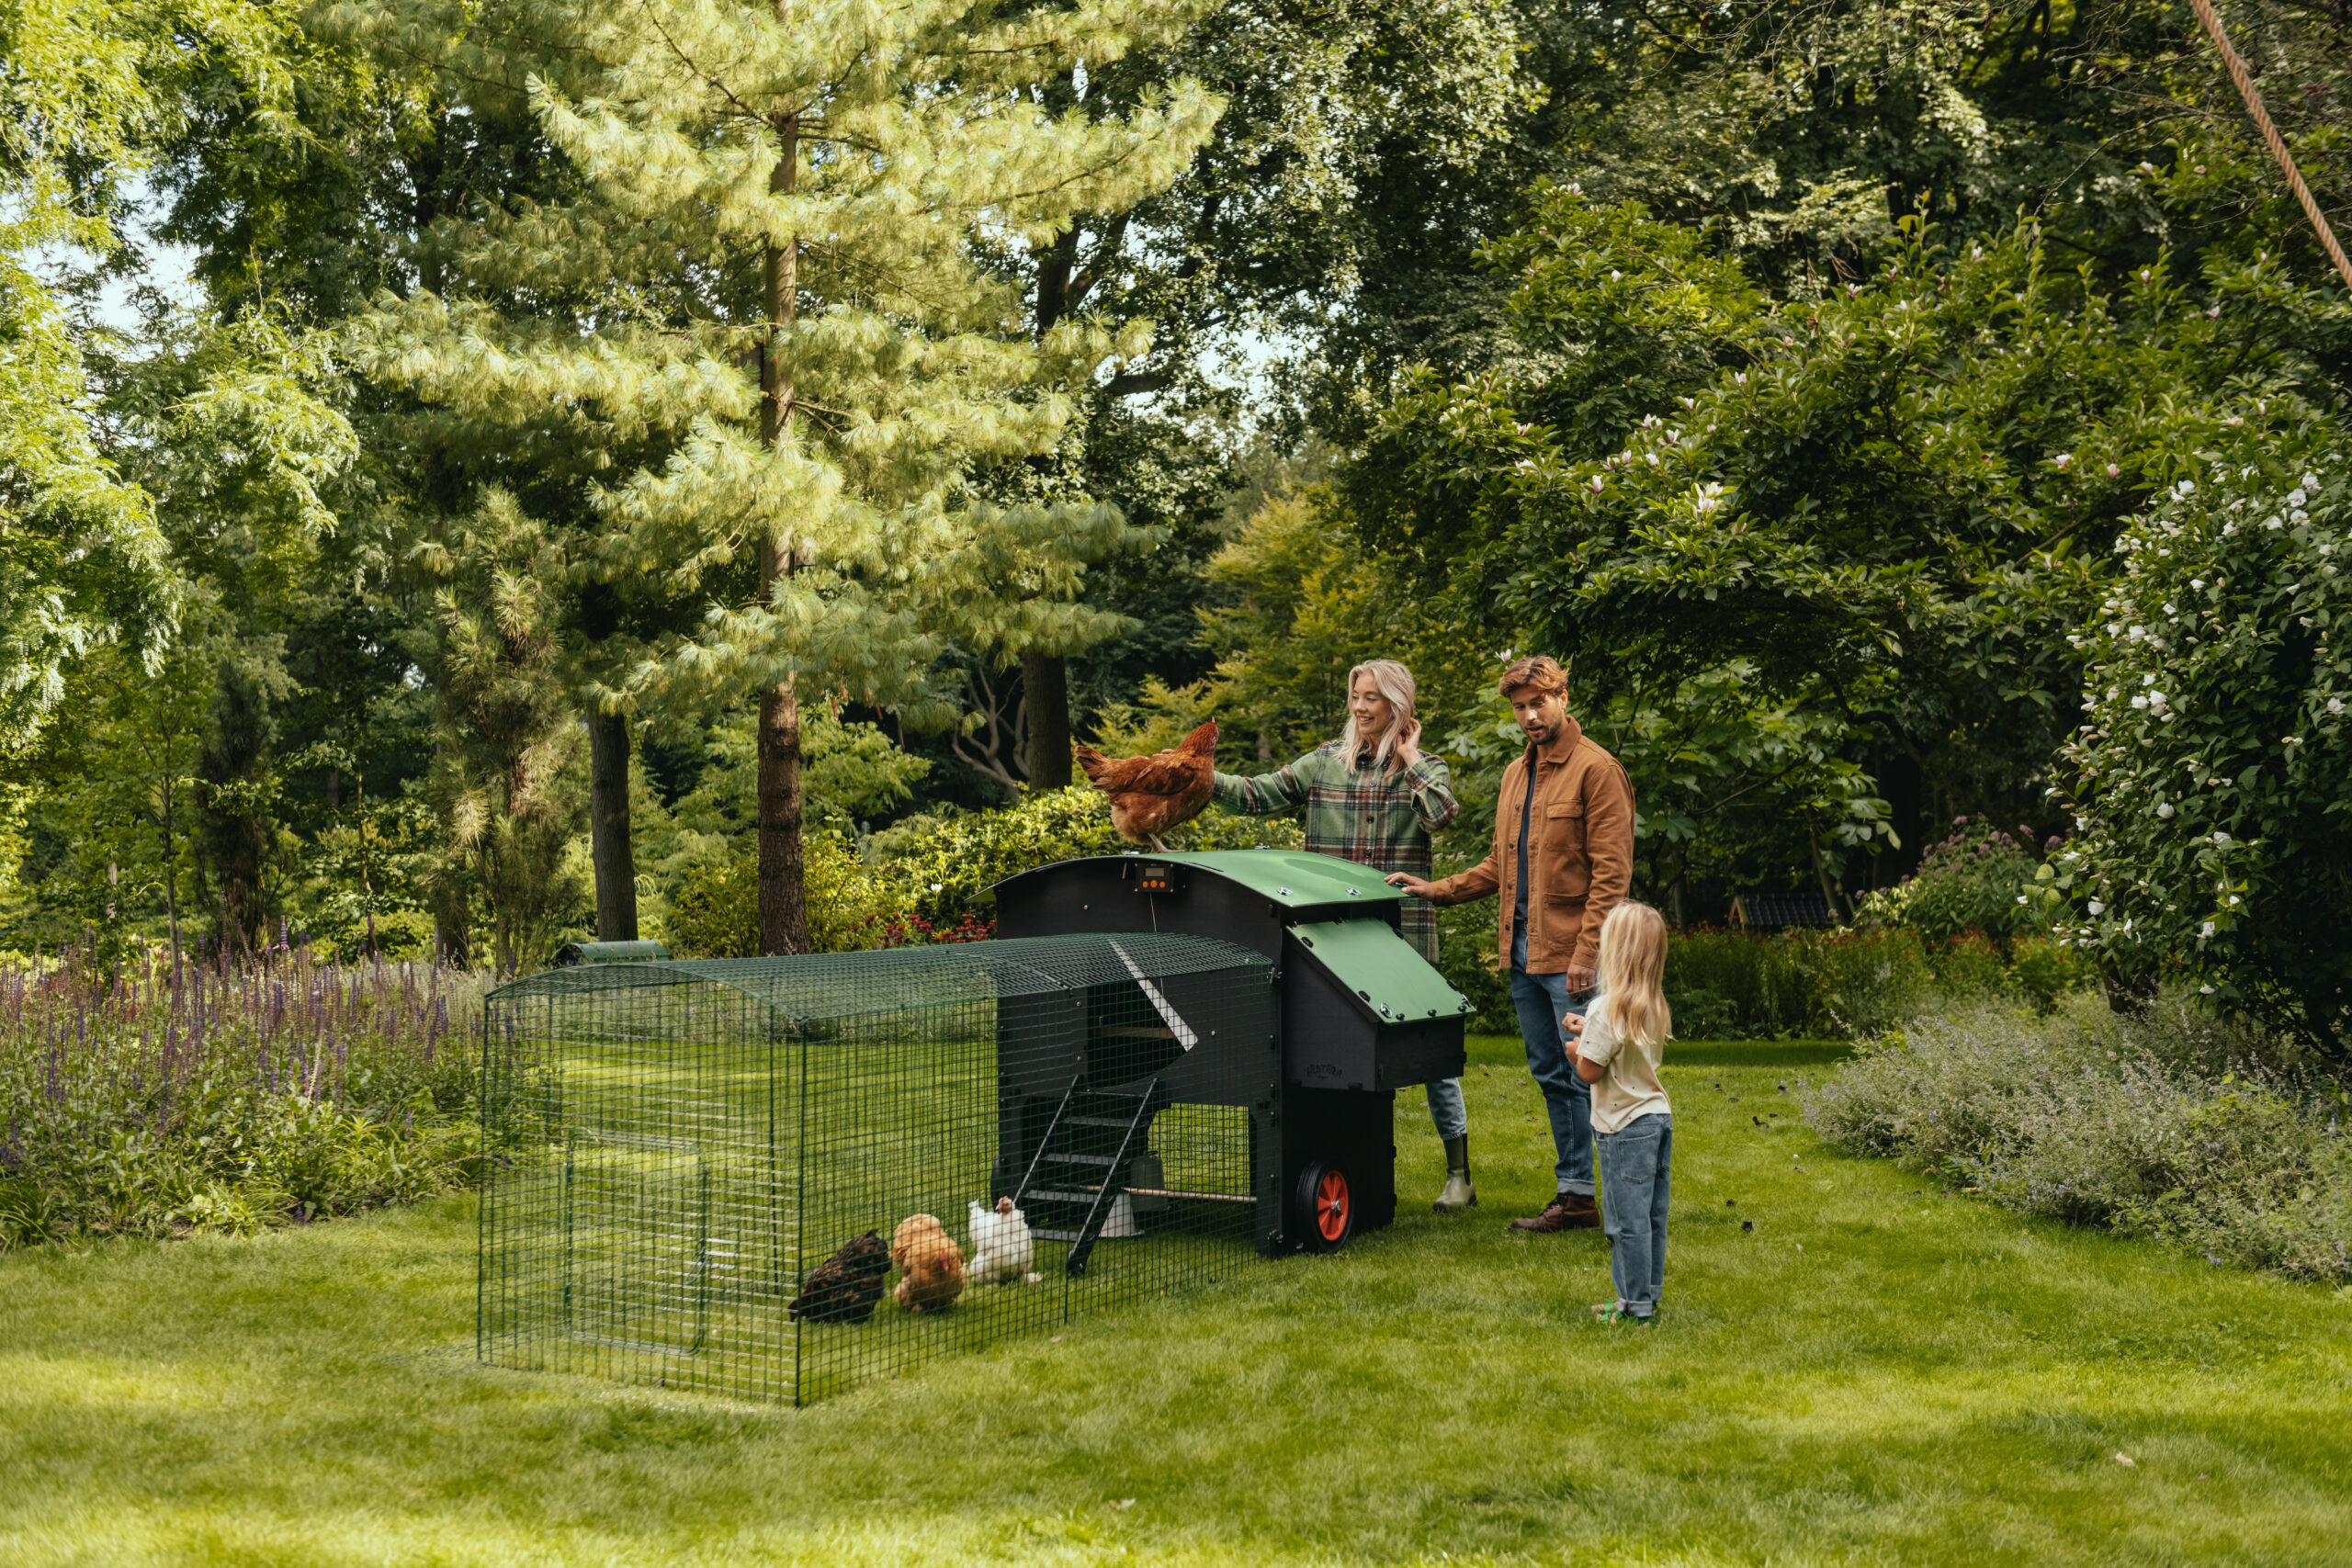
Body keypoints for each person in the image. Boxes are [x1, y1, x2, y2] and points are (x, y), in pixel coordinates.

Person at [1213, 660, 1477, 1212]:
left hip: (1401, 933)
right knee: (1329, 1048)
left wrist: (1408, 760)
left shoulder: (1425, 768)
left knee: (1430, 1054)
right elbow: (1257, 794)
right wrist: (1194, 777)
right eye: (1356, 696)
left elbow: (1442, 816)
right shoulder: (1323, 764)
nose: (1360, 707)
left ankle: (1460, 1174)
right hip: (1330, 936)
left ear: (1397, 706)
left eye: (1373, 699)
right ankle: (1344, 1164)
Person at [1386, 655, 1634, 1233]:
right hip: (1525, 952)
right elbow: (1502, 864)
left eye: (1538, 702)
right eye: (1520, 706)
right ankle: (1575, 1196)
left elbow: (1612, 876)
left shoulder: (1598, 771)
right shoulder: (1515, 775)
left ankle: (1623, 1198)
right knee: (1552, 1073)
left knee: (1595, 1074)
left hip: (1575, 956)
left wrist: (1587, 955)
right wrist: (1438, 889)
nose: (1529, 715)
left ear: (1563, 697)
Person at [1566, 901, 1673, 1325]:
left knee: (1623, 1222)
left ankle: (1633, 1305)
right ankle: (1649, 1291)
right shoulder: (1651, 1003)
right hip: (1657, 1118)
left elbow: (1590, 1070)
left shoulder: (1604, 1009)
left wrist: (1576, 1048)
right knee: (1650, 1215)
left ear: (1615, 953)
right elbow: (1622, 1043)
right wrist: (1587, 1030)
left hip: (1622, 1128)